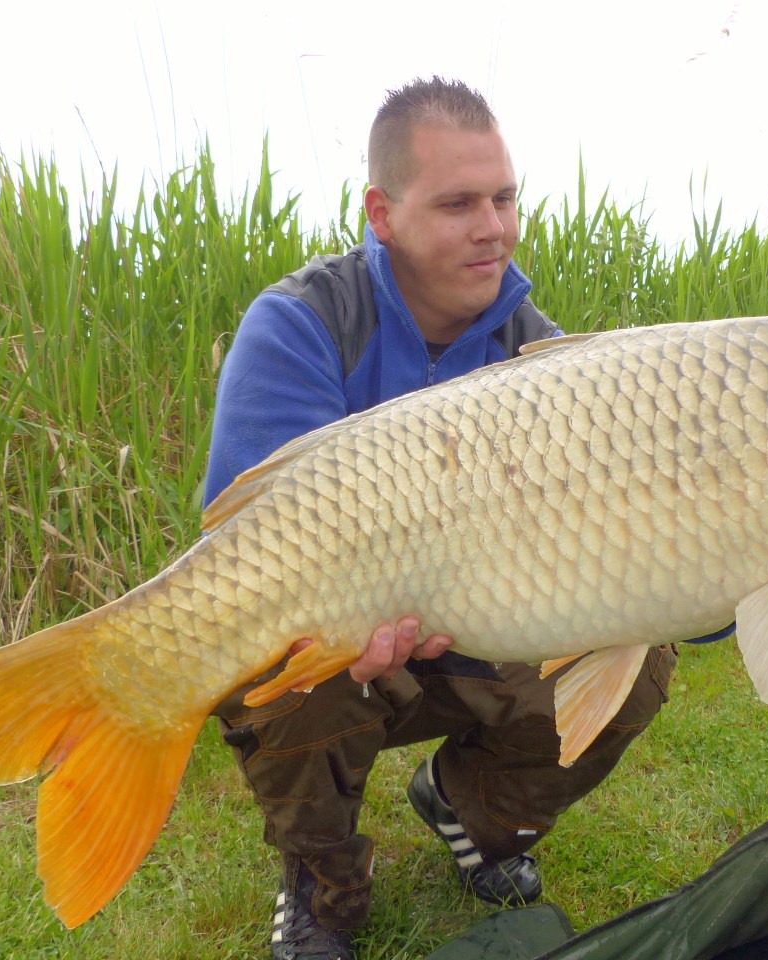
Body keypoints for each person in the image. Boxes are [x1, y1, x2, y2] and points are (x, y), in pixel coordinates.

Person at [204, 76, 677, 960]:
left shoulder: (541, 352)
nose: (492, 226)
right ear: (382, 213)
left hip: (489, 620)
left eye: (503, 198)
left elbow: (607, 543)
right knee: (263, 647)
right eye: (458, 203)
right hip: (346, 630)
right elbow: (248, 543)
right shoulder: (304, 325)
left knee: (644, 654)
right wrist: (356, 616)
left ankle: (467, 808)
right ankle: (323, 883)